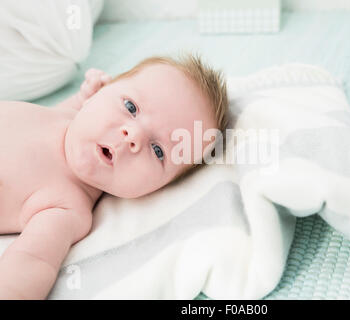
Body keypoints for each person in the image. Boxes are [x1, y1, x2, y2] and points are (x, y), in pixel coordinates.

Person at [0, 54, 228, 299]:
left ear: (157, 189)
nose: (133, 135)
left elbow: (32, 261)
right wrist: (81, 98)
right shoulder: (64, 117)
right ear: (102, 92)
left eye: (158, 150)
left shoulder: (65, 207)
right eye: (131, 107)